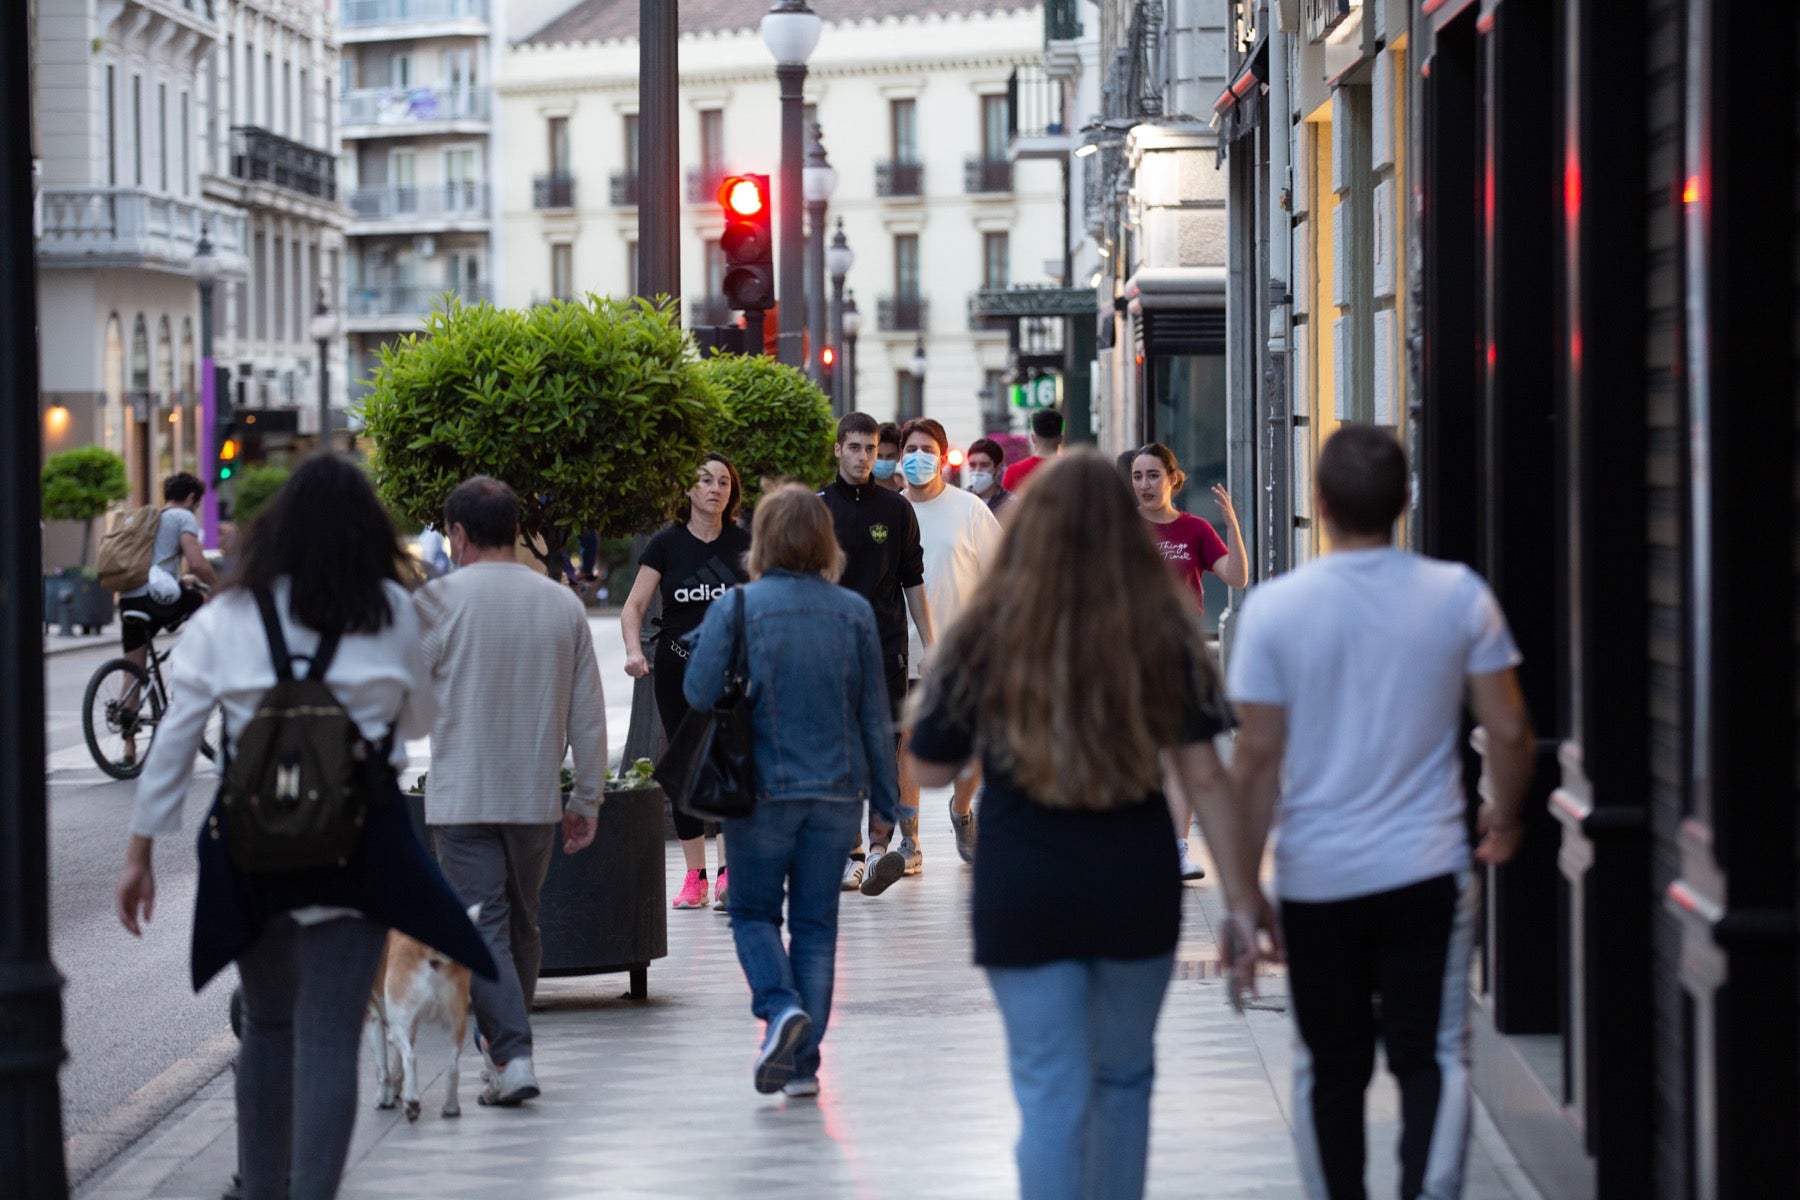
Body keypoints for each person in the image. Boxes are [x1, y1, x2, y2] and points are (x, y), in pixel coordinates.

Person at [115, 454, 493, 1200]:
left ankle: (260, 1190)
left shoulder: (228, 615)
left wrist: (139, 855)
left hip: (253, 848)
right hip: (356, 845)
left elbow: (176, 740)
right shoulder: (390, 609)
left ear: (275, 532)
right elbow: (419, 719)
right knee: (327, 1031)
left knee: (268, 1024)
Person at [1214, 425, 1534, 1200]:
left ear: (1318, 504)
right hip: (1428, 867)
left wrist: (1243, 895)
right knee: (1435, 1055)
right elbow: (1512, 730)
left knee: (1328, 1062)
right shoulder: (1458, 595)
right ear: (1404, 502)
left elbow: (1255, 760)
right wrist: (1506, 815)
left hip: (1317, 876)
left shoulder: (1276, 611)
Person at [905, 451, 1233, 1200]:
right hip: (1135, 882)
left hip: (1023, 887)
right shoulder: (1162, 632)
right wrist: (1245, 906)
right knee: (1124, 1080)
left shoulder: (987, 632)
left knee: (1049, 1090)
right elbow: (1206, 776)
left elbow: (925, 769)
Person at [684, 484, 899, 1098]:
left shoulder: (739, 607)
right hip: (838, 795)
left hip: (762, 793)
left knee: (752, 913)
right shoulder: (853, 612)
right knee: (816, 926)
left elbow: (699, 694)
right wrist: (887, 806)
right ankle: (804, 1069)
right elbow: (873, 717)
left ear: (764, 540)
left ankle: (779, 1009)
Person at [416, 476, 607, 1108]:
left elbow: (402, 706)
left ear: (461, 534)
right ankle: (507, 1052)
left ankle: (511, 1053)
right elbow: (588, 715)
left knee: (484, 929)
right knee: (521, 921)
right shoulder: (562, 605)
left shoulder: (437, 603)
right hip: (534, 798)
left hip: (464, 795)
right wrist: (586, 799)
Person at [621, 453, 752, 911]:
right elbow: (634, 607)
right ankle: (693, 876)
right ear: (689, 490)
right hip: (678, 669)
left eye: (723, 481)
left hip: (733, 673)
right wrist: (635, 651)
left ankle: (727, 873)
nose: (715, 488)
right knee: (687, 770)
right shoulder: (666, 545)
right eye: (705, 480)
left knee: (728, 767)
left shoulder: (744, 543)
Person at [817, 412, 933, 896]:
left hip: (887, 647)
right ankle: (852, 854)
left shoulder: (897, 509)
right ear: (839, 449)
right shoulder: (817, 508)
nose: (864, 457)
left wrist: (935, 644)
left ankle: (881, 850)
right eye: (855, 447)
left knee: (886, 747)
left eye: (871, 449)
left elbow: (913, 583)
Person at [1132, 443, 1250, 880]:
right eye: (1138, 476)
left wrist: (1232, 525)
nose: (1144, 485)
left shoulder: (1196, 529)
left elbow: (1237, 577)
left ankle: (1178, 849)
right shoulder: (1122, 529)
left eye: (1152, 475)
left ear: (1172, 480)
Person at [899, 418, 1002, 868]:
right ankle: (910, 838)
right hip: (904, 653)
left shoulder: (970, 510)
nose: (917, 456)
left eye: (927, 449)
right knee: (908, 741)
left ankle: (962, 811)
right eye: (910, 448)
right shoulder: (891, 512)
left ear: (943, 458)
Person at [119, 472, 218, 669]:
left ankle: (126, 701)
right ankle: (196, 664)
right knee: (206, 603)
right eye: (197, 505)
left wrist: (181, 581)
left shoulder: (151, 519)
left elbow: (155, 566)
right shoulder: (184, 517)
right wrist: (219, 587)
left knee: (133, 673)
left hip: (130, 598)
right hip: (155, 599)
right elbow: (197, 563)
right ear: (191, 498)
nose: (196, 510)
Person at [1000, 408, 1065, 495]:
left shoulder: (1014, 472)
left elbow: (1004, 506)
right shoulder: (1073, 470)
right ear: (1061, 439)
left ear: (1033, 438)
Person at [965, 436, 1014, 516]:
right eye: (972, 465)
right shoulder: (958, 501)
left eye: (984, 465)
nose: (977, 471)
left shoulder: (1011, 504)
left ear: (998, 468)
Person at [873, 421, 905, 492]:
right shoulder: (856, 495)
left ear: (899, 455)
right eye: (878, 456)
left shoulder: (904, 499)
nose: (883, 462)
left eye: (889, 456)